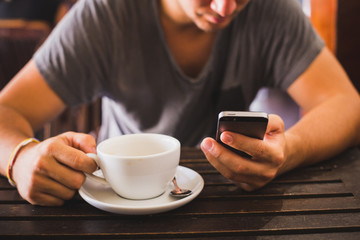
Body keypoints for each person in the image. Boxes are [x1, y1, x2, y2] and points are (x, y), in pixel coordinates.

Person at [0, 0, 359, 206]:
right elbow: (7, 111)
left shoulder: (270, 11)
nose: (225, 7)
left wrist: (289, 151)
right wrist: (20, 156)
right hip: (116, 206)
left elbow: (347, 104)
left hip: (228, 204)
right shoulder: (106, 15)